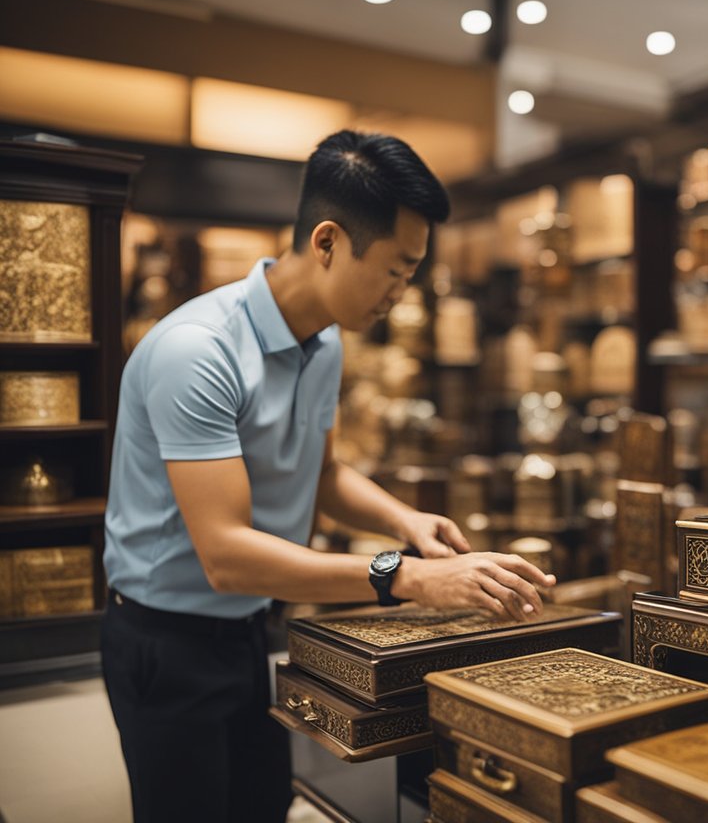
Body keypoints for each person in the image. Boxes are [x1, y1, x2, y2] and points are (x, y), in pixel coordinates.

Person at [101, 130, 555, 823]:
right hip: (166, 642)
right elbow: (224, 555)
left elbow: (321, 471)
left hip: (252, 628)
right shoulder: (197, 353)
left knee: (258, 805)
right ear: (327, 242)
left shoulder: (324, 343)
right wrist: (404, 575)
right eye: (397, 271)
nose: (402, 296)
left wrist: (404, 522)